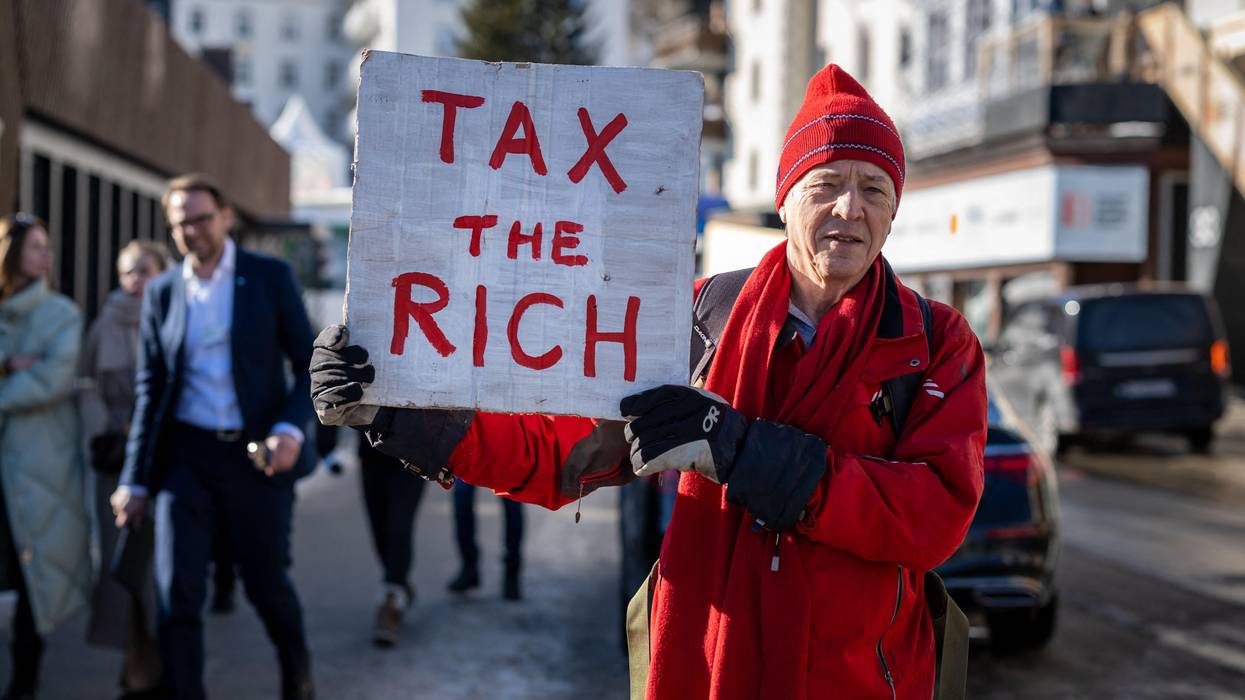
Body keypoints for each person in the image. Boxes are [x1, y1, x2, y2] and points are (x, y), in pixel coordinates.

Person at [312, 65, 987, 699]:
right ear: (785, 201)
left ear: (893, 211)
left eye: (874, 188)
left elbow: (931, 516)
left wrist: (737, 449)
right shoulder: (693, 317)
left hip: (856, 678)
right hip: (706, 660)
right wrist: (397, 412)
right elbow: (561, 451)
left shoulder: (934, 344)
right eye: (825, 183)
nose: (850, 206)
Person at [110, 174, 317, 700]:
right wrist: (134, 480)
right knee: (178, 594)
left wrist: (291, 429)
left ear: (225, 216)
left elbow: (307, 364)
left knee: (266, 584)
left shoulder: (267, 276)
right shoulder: (162, 292)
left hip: (256, 455)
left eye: (202, 218)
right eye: (181, 223)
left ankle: (297, 673)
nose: (193, 231)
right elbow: (150, 390)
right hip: (187, 456)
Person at [0, 213, 92, 700]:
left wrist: (14, 376)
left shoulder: (61, 313)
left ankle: (25, 680)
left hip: (39, 465)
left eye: (47, 247)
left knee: (31, 573)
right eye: (34, 246)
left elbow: (48, 381)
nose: (45, 256)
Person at [80, 240, 171, 699]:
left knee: (159, 567)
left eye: (144, 271)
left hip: (162, 457)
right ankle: (133, 659)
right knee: (120, 566)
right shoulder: (104, 323)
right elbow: (87, 387)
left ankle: (154, 661)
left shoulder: (175, 317)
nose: (136, 281)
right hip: (115, 460)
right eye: (128, 272)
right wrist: (110, 433)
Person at [357, 440, 427, 645]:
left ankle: (392, 598)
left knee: (400, 525)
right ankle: (399, 582)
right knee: (379, 529)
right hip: (372, 450)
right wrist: (326, 442)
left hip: (414, 451)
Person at [446, 481, 523, 601]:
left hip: (505, 462)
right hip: (470, 461)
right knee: (461, 498)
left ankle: (512, 572)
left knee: (513, 501)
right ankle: (469, 567)